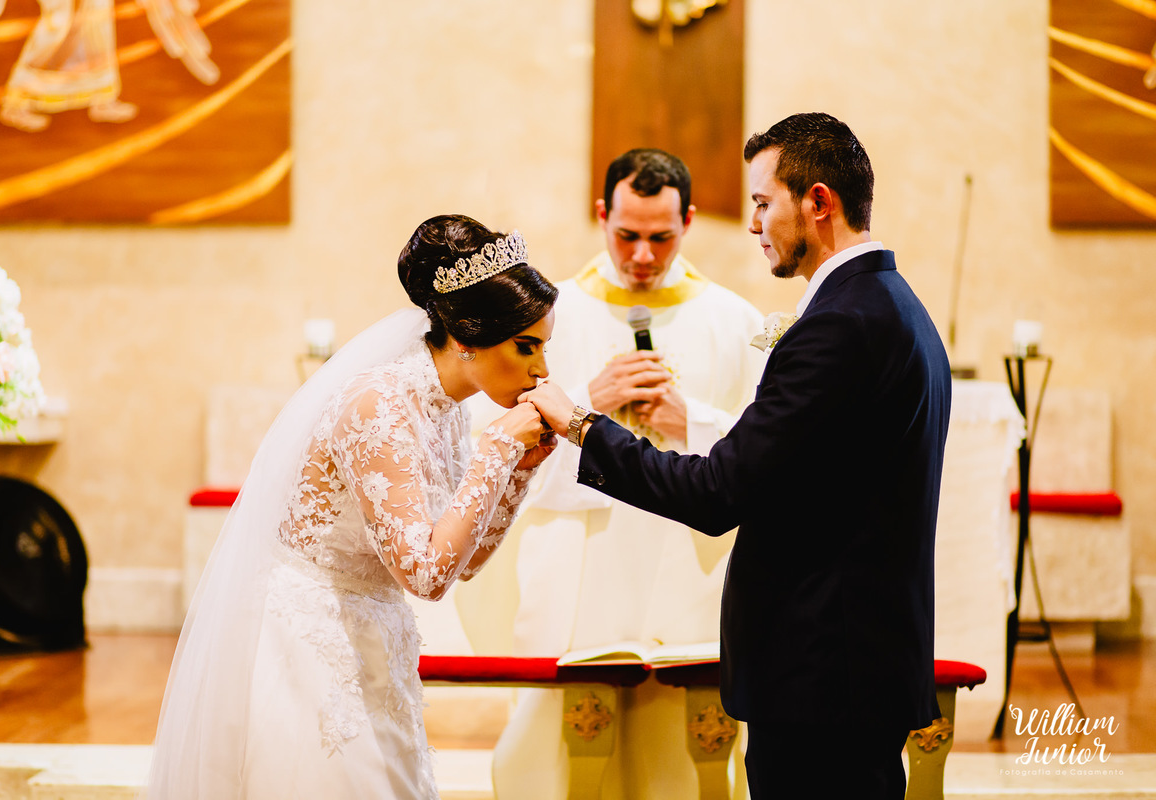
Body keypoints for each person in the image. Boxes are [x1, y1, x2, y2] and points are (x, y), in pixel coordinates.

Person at [523, 113, 953, 799]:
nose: (753, 224)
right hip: (851, 664)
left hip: (821, 674)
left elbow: (720, 492)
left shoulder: (837, 326)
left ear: (817, 202)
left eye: (761, 202)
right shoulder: (894, 306)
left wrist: (582, 425)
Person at [145, 215, 558, 799]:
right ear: (467, 336)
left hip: (377, 637)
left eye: (544, 346)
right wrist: (496, 452)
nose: (543, 369)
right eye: (527, 347)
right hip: (310, 641)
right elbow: (426, 575)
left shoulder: (449, 409)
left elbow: (463, 559)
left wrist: (515, 473)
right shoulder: (378, 406)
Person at [490, 149, 765, 800]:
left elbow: (769, 457)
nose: (643, 254)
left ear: (690, 222)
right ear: (600, 216)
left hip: (689, 574)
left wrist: (688, 421)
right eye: (627, 235)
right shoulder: (545, 321)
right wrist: (589, 407)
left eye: (661, 237)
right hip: (582, 572)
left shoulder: (737, 323)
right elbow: (503, 455)